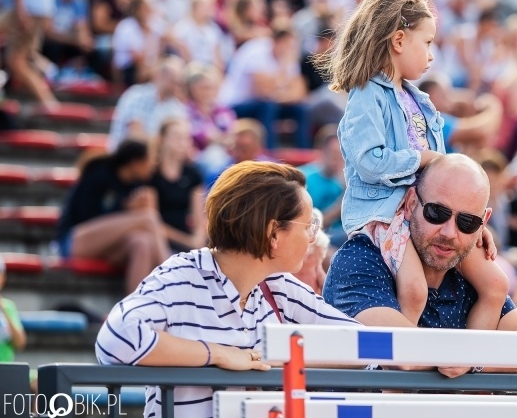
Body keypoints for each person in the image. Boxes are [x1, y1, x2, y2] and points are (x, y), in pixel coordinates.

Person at [316, 0, 508, 332]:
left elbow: (447, 174)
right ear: (399, 40)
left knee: (496, 284)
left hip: (427, 215)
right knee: (416, 291)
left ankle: (468, 363)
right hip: (386, 216)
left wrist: (473, 221)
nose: (432, 54)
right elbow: (369, 160)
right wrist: (421, 160)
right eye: (428, 42)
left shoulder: (420, 100)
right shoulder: (365, 96)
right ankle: (400, 377)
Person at [96, 161, 358, 418]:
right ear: (273, 233)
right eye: (308, 225)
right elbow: (117, 339)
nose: (313, 236)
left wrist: (279, 355)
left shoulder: (278, 286)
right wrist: (219, 354)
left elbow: (362, 344)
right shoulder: (182, 275)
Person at [324, 154, 517, 377]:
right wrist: (469, 356)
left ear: (483, 224)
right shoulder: (362, 257)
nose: (449, 233)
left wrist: (474, 361)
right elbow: (398, 351)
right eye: (436, 213)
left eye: (467, 222)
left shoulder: (471, 275)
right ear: (410, 204)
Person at [56, 140, 168, 294]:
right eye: (150, 159)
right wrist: (126, 209)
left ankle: (136, 311)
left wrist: (137, 208)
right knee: (147, 218)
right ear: (135, 162)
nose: (153, 165)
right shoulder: (99, 173)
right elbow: (86, 216)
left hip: (106, 246)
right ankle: (171, 276)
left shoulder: (137, 185)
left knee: (142, 243)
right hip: (73, 241)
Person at [218, 28, 311, 149]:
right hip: (236, 104)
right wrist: (283, 71)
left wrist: (279, 95)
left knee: (301, 109)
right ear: (277, 42)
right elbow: (262, 91)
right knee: (269, 106)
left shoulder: (289, 58)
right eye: (288, 45)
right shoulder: (255, 51)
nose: (291, 49)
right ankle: (270, 152)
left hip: (266, 104)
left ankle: (303, 152)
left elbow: (300, 94)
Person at [107, 57, 188, 150]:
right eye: (175, 80)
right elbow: (135, 136)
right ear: (161, 76)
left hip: (155, 157)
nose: (178, 85)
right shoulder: (137, 95)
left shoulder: (176, 106)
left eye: (180, 82)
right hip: (126, 156)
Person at [151, 119, 205, 253]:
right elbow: (152, 221)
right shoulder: (151, 174)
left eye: (186, 138)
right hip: (157, 240)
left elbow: (200, 216)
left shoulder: (193, 173)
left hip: (186, 238)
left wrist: (198, 239)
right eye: (176, 137)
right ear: (161, 139)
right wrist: (187, 241)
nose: (182, 142)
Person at [299, 125, 346, 247]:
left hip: (341, 235)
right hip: (316, 238)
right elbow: (309, 227)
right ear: (321, 150)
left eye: (342, 154)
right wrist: (342, 201)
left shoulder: (344, 180)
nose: (338, 159)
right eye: (334, 153)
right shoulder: (303, 178)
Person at [42, 0, 93, 68]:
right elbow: (48, 32)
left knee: (90, 48)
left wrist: (85, 40)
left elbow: (82, 26)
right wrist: (75, 41)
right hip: (51, 40)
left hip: (68, 38)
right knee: (54, 47)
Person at [171, 0, 225, 71]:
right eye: (204, 5)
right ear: (195, 6)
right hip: (189, 70)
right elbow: (183, 57)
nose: (209, 9)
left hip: (210, 71)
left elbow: (218, 58)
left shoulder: (214, 29)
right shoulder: (182, 27)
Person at [0, 255, 27, 362]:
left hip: (8, 370)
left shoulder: (8, 306)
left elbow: (20, 342)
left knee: (39, 378)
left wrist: (3, 310)